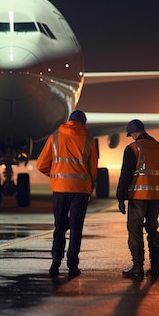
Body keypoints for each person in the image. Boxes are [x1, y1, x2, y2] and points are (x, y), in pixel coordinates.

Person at [36, 110, 98, 278]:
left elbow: (41, 164)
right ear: (83, 123)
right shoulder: (89, 141)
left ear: (68, 121)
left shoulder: (55, 137)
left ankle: (56, 258)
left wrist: (56, 175)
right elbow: (93, 170)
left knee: (60, 227)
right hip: (81, 190)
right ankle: (72, 266)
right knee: (76, 228)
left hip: (60, 189)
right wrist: (90, 185)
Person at [116, 119, 159, 280]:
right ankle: (155, 266)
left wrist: (121, 197)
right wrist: (157, 188)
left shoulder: (133, 148)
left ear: (133, 133)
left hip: (138, 197)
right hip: (156, 197)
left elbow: (125, 176)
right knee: (152, 229)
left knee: (135, 230)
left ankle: (137, 266)